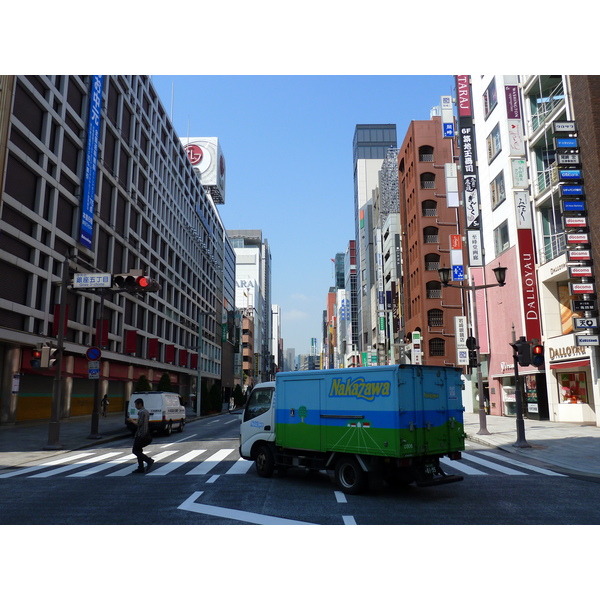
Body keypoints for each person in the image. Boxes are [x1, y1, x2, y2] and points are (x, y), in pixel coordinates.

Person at [126, 398, 155, 474]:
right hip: (144, 433)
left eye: (136, 404)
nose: (135, 406)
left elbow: (139, 424)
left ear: (140, 404)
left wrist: (131, 420)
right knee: (138, 450)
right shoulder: (146, 411)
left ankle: (148, 460)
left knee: (135, 451)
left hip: (141, 434)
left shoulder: (142, 412)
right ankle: (141, 467)